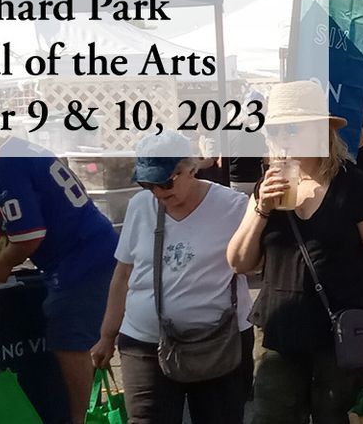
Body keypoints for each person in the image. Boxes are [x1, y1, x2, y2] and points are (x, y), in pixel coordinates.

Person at [228, 100, 363, 422]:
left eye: (292, 129)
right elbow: (240, 263)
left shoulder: (356, 188)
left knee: (338, 418)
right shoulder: (268, 188)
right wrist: (261, 209)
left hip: (343, 334)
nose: (283, 139)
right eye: (276, 131)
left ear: (322, 133)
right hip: (279, 331)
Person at [0, 133, 118, 424]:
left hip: (78, 260)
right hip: (93, 248)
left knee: (70, 342)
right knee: (76, 339)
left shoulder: (8, 165)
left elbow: (29, 237)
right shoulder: (21, 148)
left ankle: (77, 419)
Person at [93, 133, 255, 423]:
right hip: (145, 343)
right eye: (148, 183)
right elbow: (123, 274)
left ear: (192, 168)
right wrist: (107, 336)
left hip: (219, 343)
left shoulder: (233, 206)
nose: (158, 191)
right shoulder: (140, 206)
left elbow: (254, 264)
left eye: (166, 181)